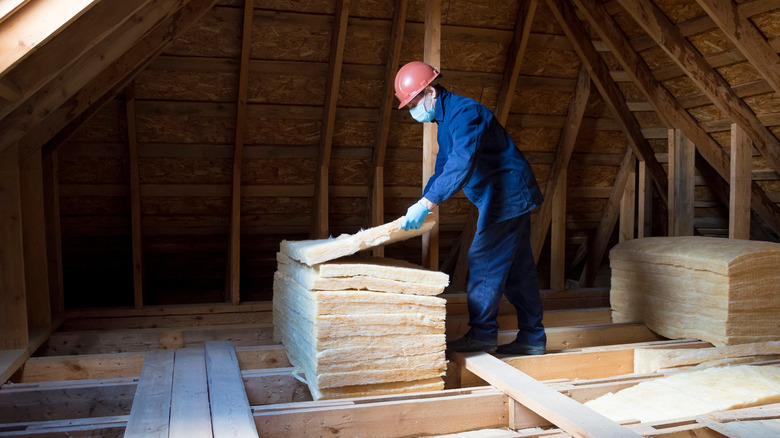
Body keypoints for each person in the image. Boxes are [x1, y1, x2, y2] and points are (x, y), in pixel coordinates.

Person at [395, 61, 546, 355]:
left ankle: (483, 335)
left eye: (414, 102)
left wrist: (428, 203)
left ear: (430, 92)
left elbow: (461, 163)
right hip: (503, 197)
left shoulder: (466, 114)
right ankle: (532, 338)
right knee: (518, 271)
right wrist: (422, 201)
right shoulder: (445, 123)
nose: (414, 110)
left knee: (483, 259)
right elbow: (442, 169)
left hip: (508, 195)